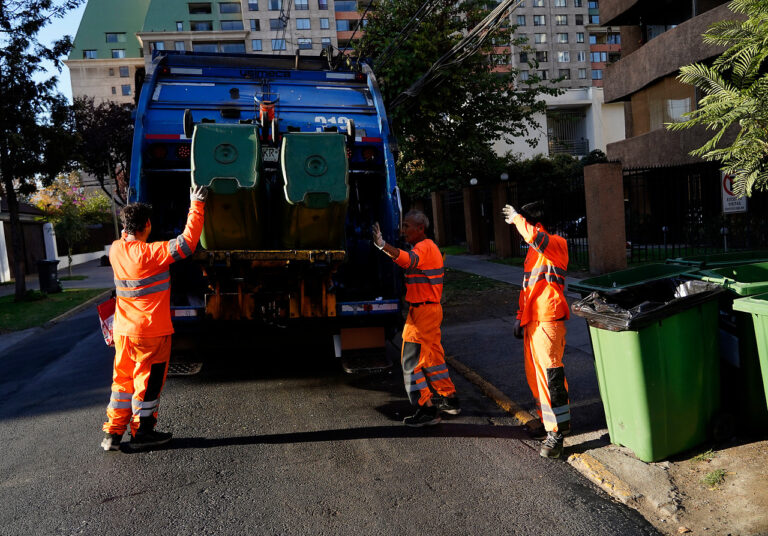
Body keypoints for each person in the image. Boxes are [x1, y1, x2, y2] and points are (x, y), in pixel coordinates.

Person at [101, 185, 208, 451]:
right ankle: (142, 434)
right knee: (147, 385)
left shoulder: (115, 250)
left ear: (125, 227)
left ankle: (112, 435)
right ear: (147, 225)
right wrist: (197, 204)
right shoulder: (151, 254)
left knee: (123, 382)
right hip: (150, 332)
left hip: (124, 332)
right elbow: (186, 243)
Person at [372, 211, 460, 427]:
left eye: (407, 225)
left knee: (410, 362)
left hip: (423, 314)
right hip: (427, 311)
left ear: (421, 228)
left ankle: (426, 409)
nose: (403, 230)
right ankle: (449, 398)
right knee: (432, 358)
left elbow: (408, 261)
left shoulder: (424, 248)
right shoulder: (429, 247)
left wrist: (383, 245)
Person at [502, 201, 571, 459]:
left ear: (535, 224)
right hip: (534, 321)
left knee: (550, 377)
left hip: (548, 320)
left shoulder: (554, 243)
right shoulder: (533, 252)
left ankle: (557, 434)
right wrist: (520, 318)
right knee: (536, 377)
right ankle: (546, 422)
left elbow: (535, 237)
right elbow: (528, 288)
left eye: (522, 224)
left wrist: (519, 219)